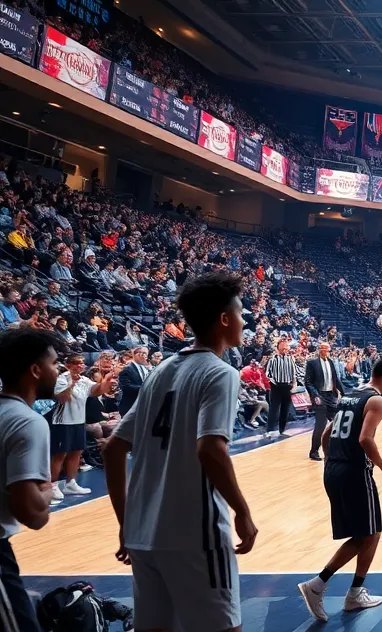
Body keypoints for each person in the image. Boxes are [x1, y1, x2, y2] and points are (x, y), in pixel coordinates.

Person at [103, 270, 257, 632]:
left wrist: (127, 523)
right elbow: (210, 450)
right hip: (195, 535)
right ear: (223, 319)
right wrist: (242, 511)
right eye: (240, 314)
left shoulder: (160, 370)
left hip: (143, 534)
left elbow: (112, 449)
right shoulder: (220, 373)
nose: (243, 320)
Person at [298, 357, 382, 622]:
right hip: (355, 472)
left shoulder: (350, 396)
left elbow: (326, 435)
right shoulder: (376, 401)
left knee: (372, 531)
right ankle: (318, 584)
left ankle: (355, 592)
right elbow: (365, 438)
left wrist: (332, 461)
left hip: (334, 469)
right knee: (366, 535)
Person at [0, 328, 61, 630]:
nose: (58, 371)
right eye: (54, 364)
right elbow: (32, 514)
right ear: (35, 370)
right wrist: (48, 490)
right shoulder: (27, 421)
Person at [49, 351, 115, 502]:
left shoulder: (84, 380)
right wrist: (71, 383)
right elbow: (62, 398)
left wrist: (106, 381)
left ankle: (70, 483)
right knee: (60, 455)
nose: (81, 365)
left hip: (78, 421)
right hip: (62, 422)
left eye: (82, 363)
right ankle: (52, 486)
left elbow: (97, 391)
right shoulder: (60, 379)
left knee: (76, 452)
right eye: (77, 363)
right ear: (68, 365)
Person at [306, 341, 344, 461]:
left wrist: (344, 393)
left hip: (330, 395)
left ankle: (334, 449)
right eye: (322, 349)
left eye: (327, 349)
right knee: (321, 425)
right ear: (319, 349)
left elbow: (336, 379)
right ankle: (314, 451)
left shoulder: (331, 362)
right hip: (319, 395)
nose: (325, 351)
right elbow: (308, 382)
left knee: (337, 423)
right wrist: (315, 395)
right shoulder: (312, 363)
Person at [263, 336, 296, 439]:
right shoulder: (272, 359)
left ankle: (282, 429)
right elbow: (267, 374)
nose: (285, 348)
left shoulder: (290, 358)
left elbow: (293, 373)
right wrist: (274, 383)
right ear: (278, 347)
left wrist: (293, 384)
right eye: (283, 346)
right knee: (274, 408)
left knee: (285, 409)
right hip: (276, 386)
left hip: (287, 386)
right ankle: (269, 430)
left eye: (286, 346)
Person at [117, 346, 151, 417]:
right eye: (144, 354)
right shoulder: (126, 369)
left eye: (146, 354)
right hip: (130, 406)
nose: (146, 357)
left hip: (142, 406)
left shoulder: (145, 368)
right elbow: (126, 387)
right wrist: (145, 388)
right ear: (137, 354)